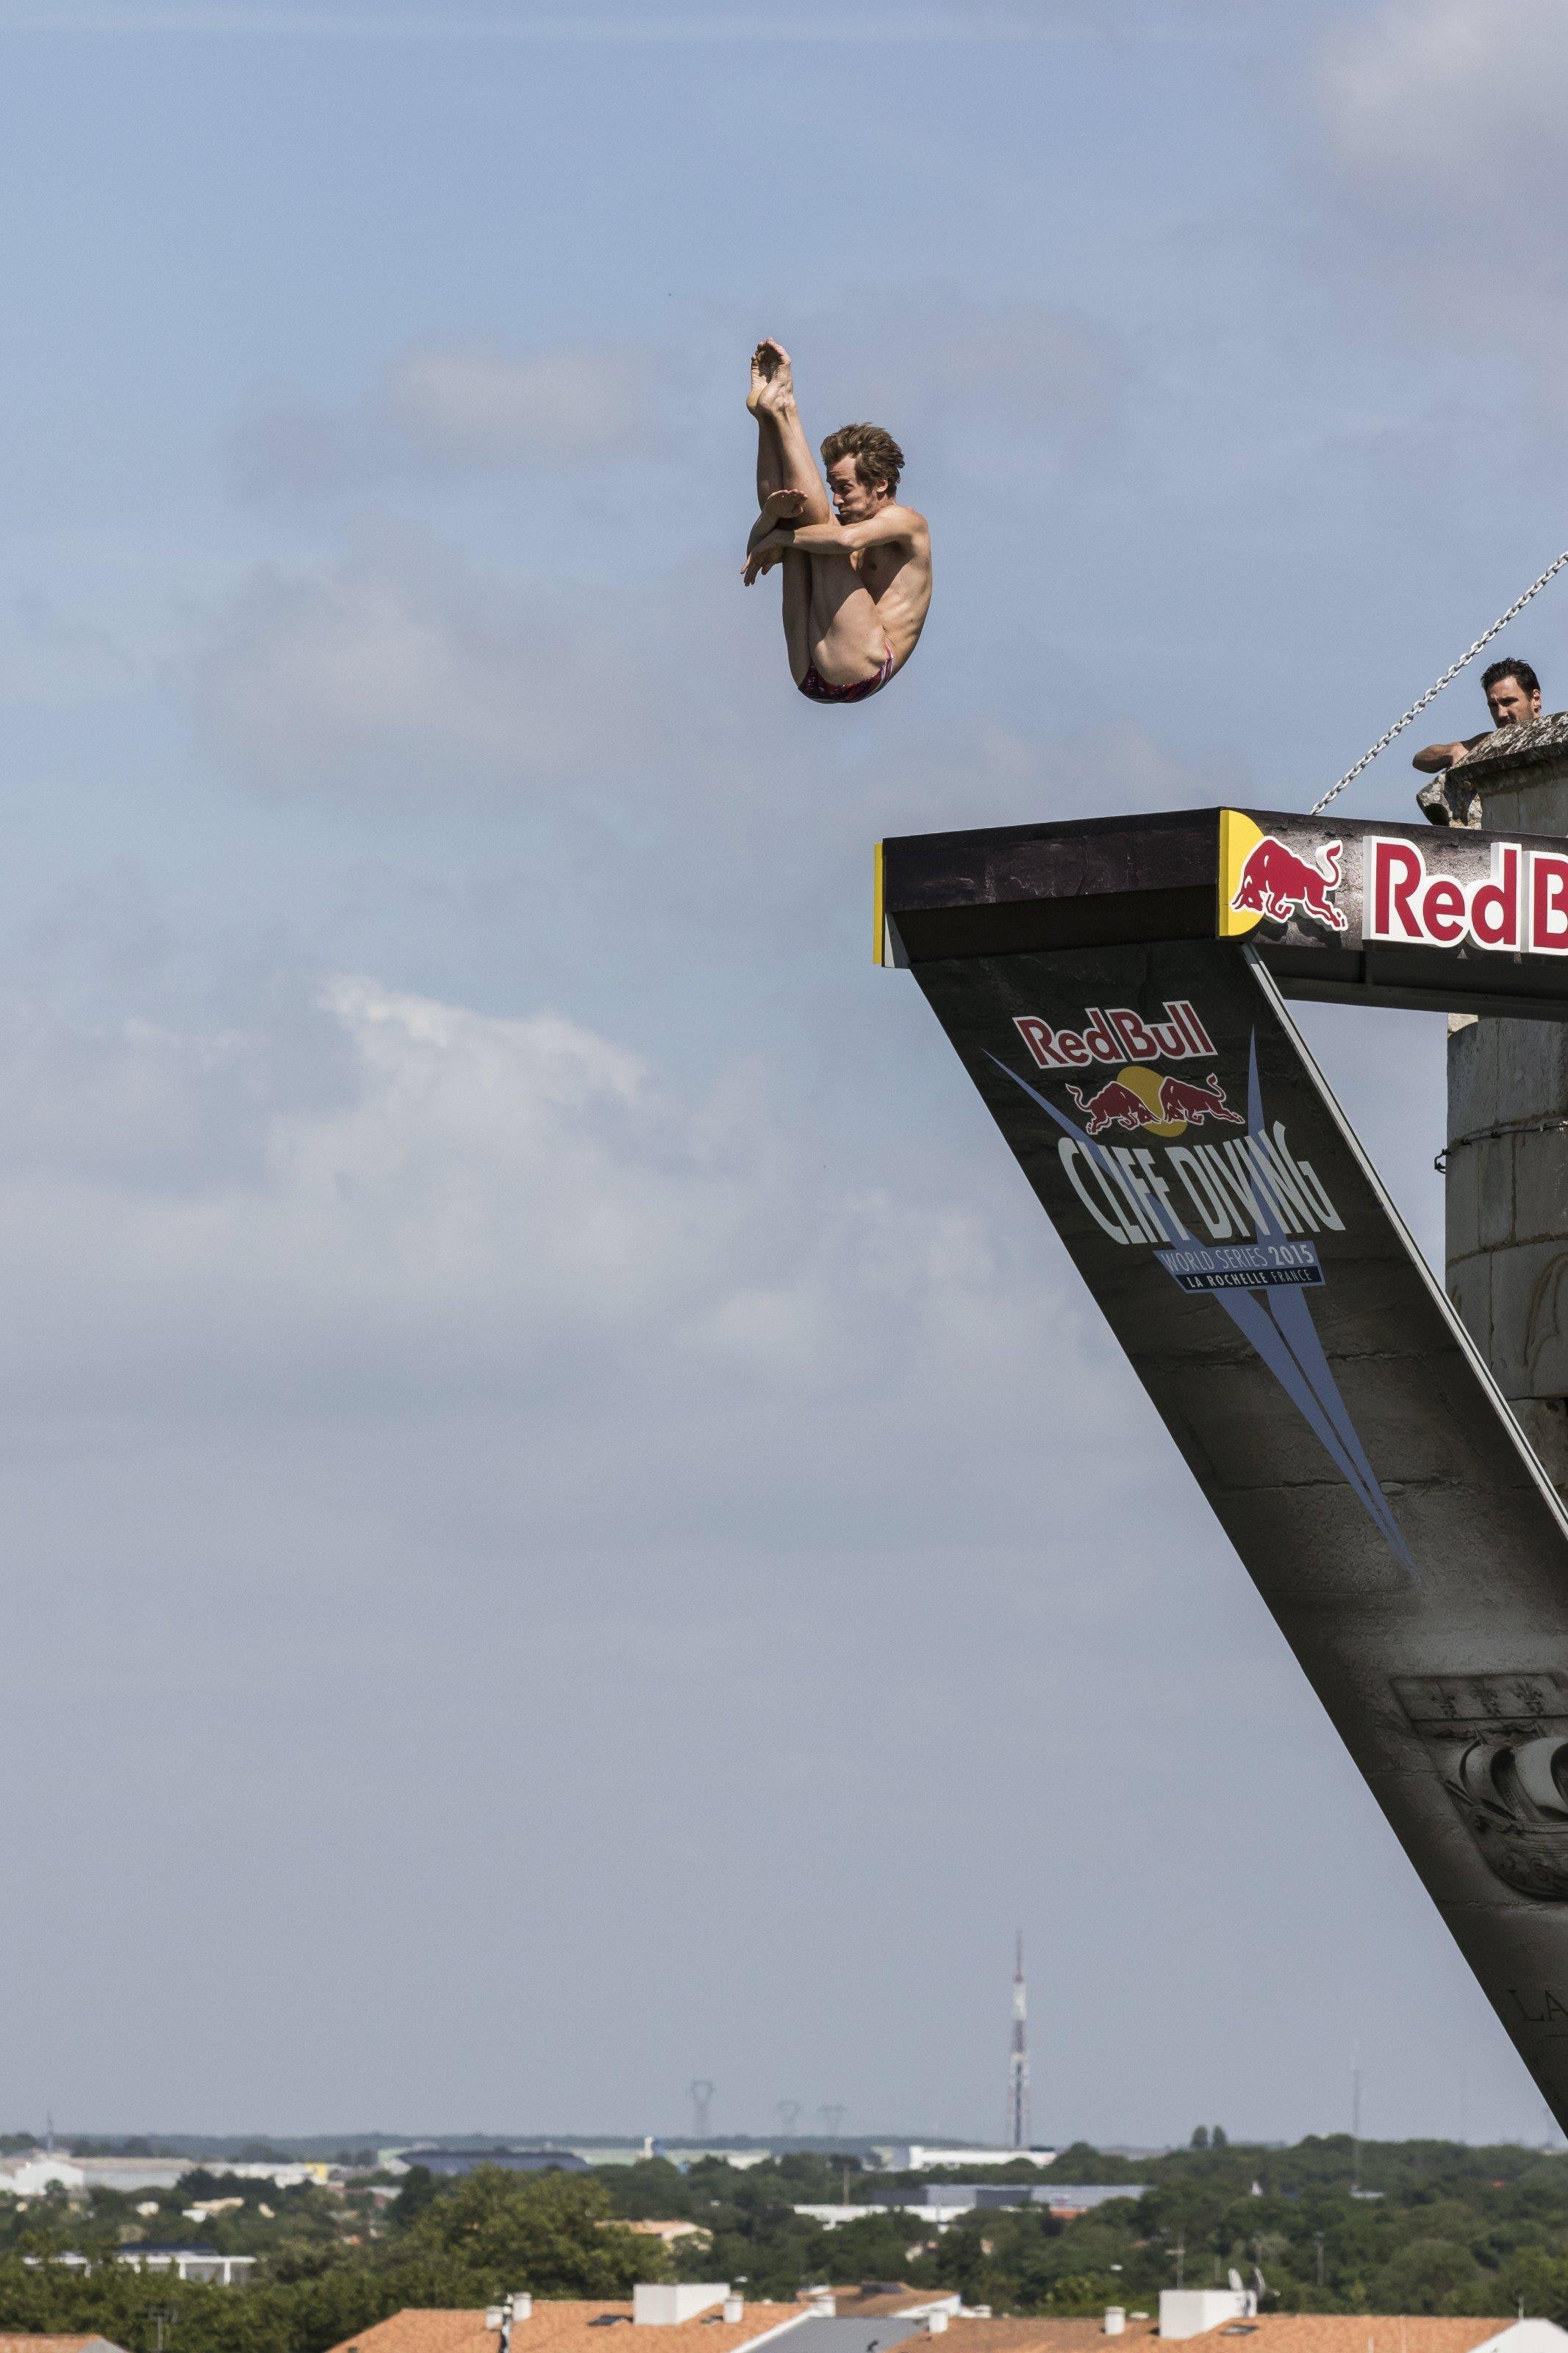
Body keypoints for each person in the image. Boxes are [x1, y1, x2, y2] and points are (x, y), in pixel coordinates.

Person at [742, 338, 931, 703]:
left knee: (818, 529)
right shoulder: (834, 527)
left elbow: (845, 542)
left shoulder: (907, 524)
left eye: (844, 488)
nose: (837, 499)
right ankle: (767, 419)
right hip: (808, 671)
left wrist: (779, 540)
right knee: (795, 515)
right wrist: (770, 519)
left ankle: (785, 411)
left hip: (863, 665)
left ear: (880, 483)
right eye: (832, 487)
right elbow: (758, 551)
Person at [1413, 658, 1544, 826]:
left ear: (1535, 699)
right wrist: (1452, 752)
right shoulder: (1490, 743)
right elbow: (1419, 760)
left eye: (1508, 701)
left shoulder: (1558, 737)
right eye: (1493, 705)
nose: (1501, 713)